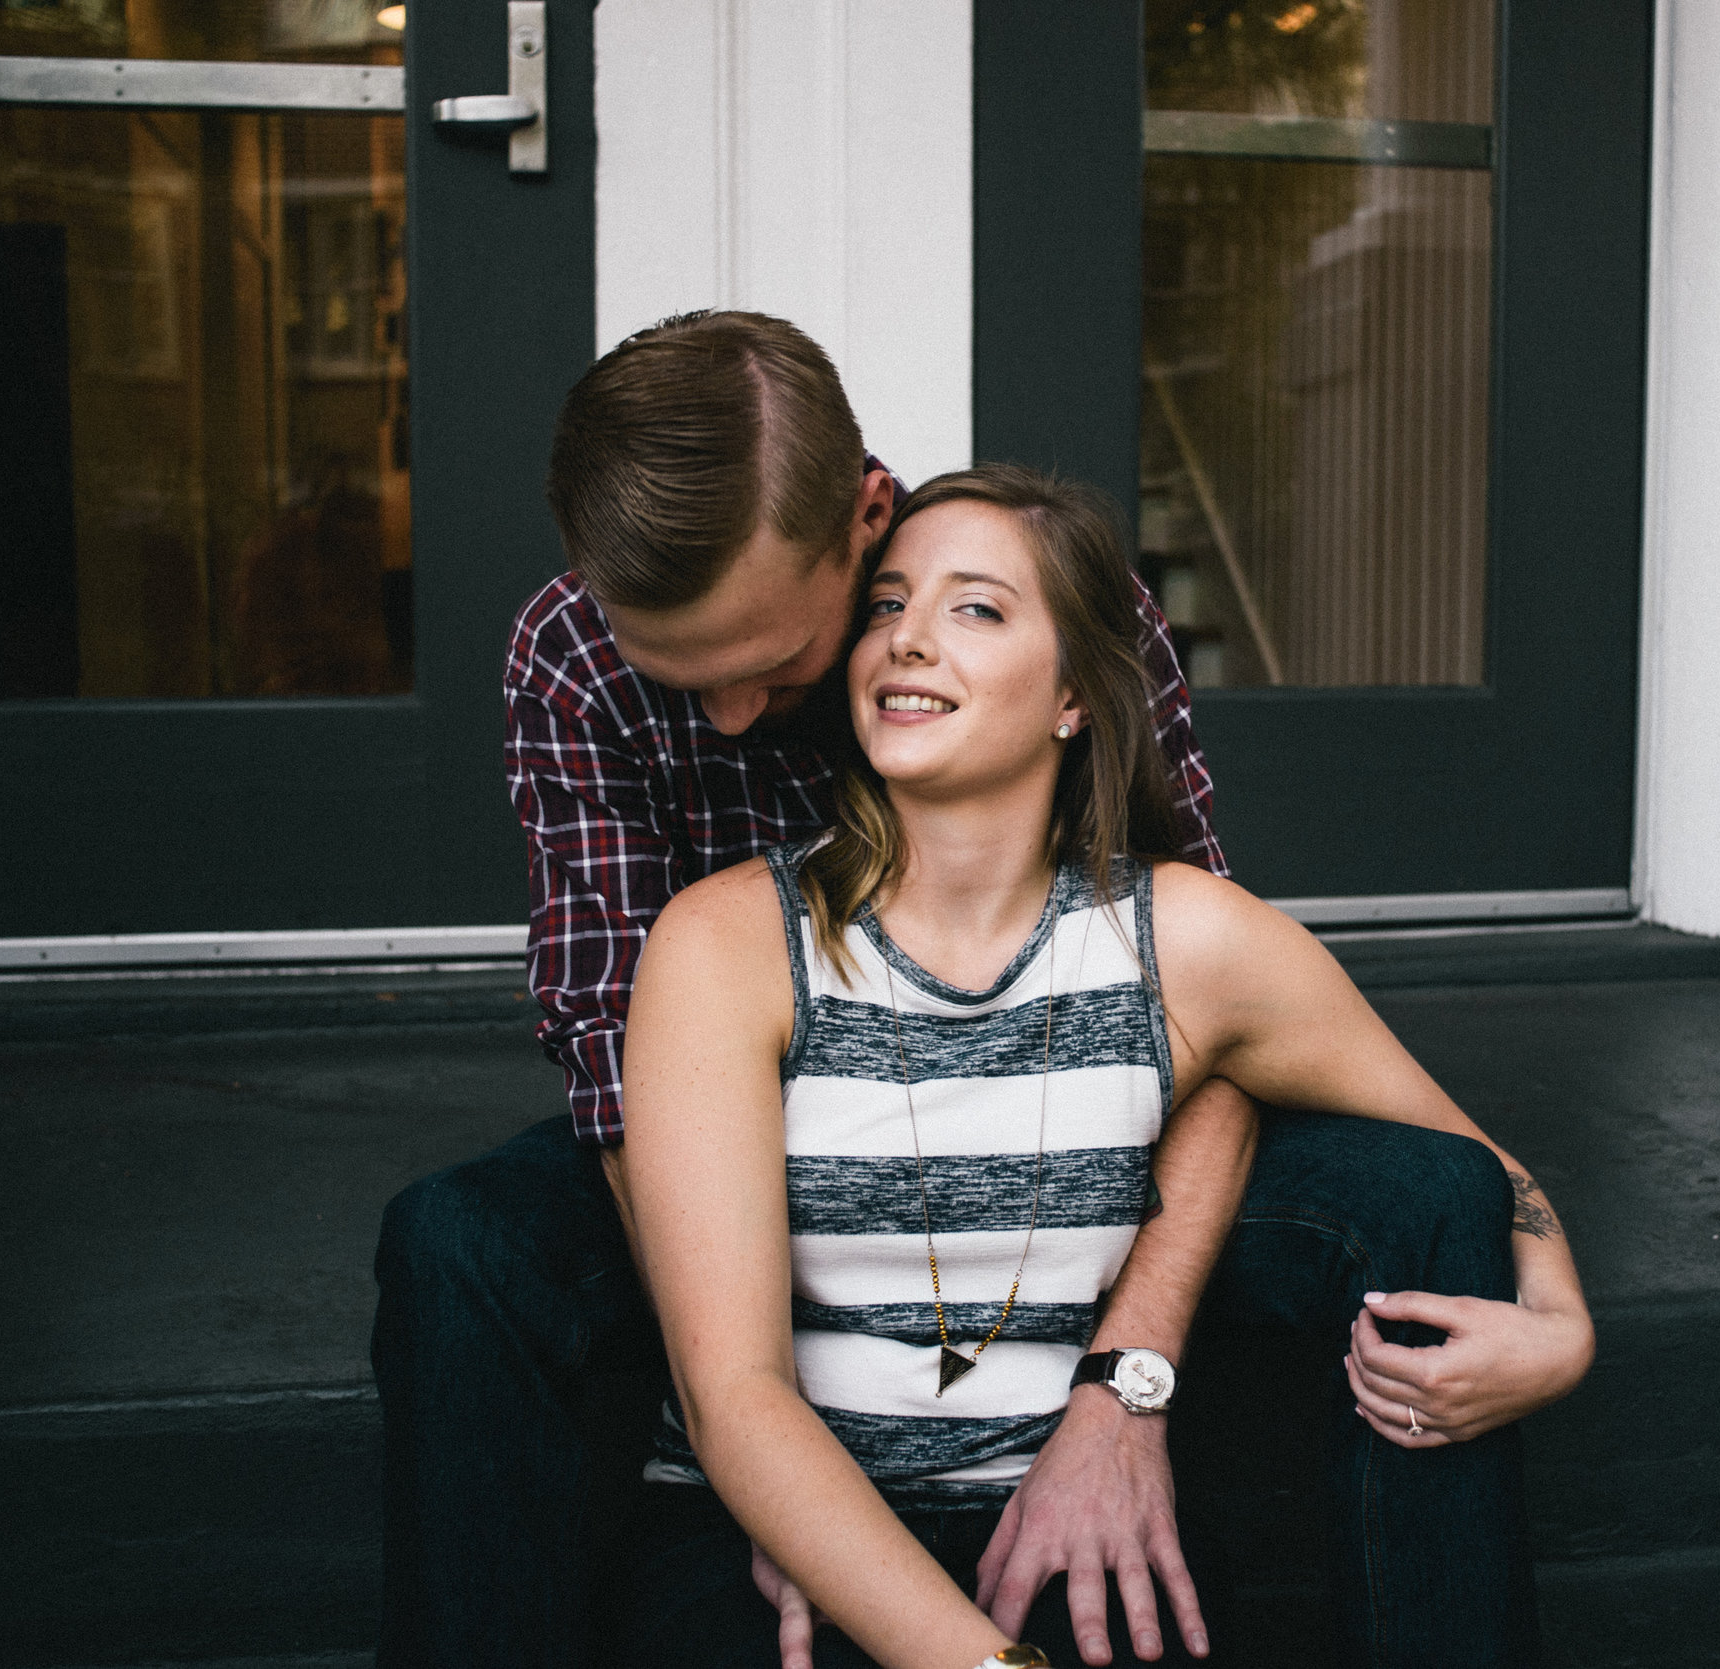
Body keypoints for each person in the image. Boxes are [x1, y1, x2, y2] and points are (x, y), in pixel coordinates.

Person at [369, 311, 1594, 1669]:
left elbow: (1213, 1014)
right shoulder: (578, 663)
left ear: (863, 519)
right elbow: (614, 1078)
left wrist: (1126, 1384)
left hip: (1064, 1135)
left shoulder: (1015, 594)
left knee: (1426, 1198)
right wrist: (783, 1468)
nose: (731, 719)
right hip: (736, 1140)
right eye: (683, 679)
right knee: (458, 1242)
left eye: (775, 662)